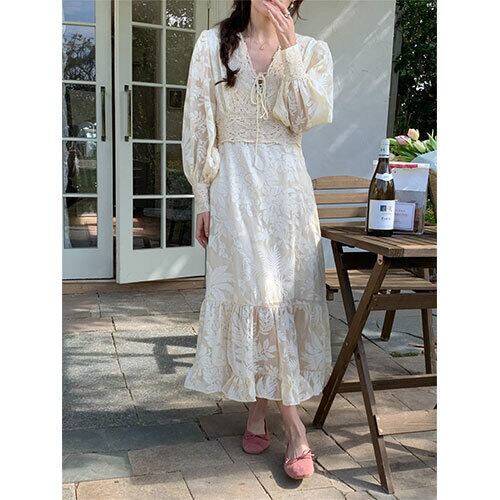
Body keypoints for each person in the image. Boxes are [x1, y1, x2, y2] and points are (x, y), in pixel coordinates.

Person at [181, 0, 334, 480]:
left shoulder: (311, 51)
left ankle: (258, 411)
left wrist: (289, 52)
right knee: (256, 294)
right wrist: (203, 198)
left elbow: (303, 118)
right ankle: (293, 424)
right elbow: (199, 124)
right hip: (234, 190)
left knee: (282, 299)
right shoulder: (211, 45)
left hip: (288, 195)